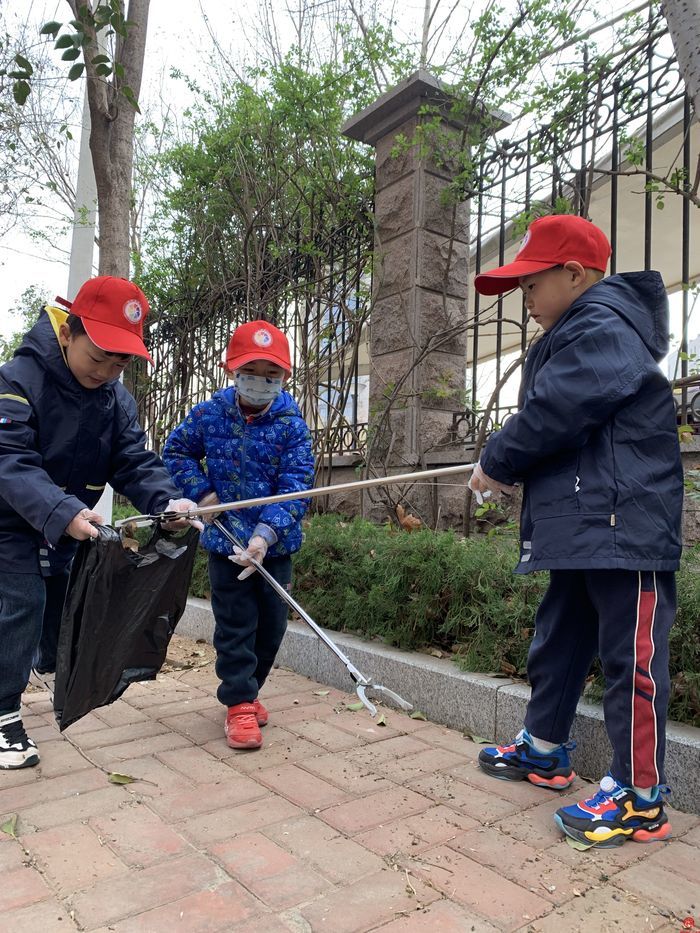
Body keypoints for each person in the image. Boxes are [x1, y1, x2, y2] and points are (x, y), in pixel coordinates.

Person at [469, 214, 682, 848]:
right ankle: (545, 746)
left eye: (532, 283)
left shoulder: (603, 323)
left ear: (574, 273)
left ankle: (641, 796)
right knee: (560, 634)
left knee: (631, 660)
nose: (525, 298)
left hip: (626, 524)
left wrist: (498, 458)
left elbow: (561, 408)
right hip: (587, 523)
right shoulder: (578, 331)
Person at [0, 276, 199, 770]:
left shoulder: (115, 399)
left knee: (62, 603)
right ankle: (3, 712)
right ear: (68, 334)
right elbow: (9, 460)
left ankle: (39, 664)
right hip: (10, 521)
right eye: (100, 356)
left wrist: (170, 501)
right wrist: (62, 511)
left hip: (67, 523)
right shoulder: (17, 381)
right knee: (19, 607)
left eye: (122, 360)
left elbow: (133, 460)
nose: (109, 370)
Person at [163, 320, 314, 750]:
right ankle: (239, 702)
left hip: (275, 547)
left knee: (270, 627)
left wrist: (266, 536)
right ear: (233, 371)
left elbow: (297, 485)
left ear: (284, 378)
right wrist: (203, 493)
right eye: (253, 373)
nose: (262, 384)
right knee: (235, 626)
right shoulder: (209, 414)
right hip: (224, 542)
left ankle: (250, 688)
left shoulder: (291, 425)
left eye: (273, 376)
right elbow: (175, 451)